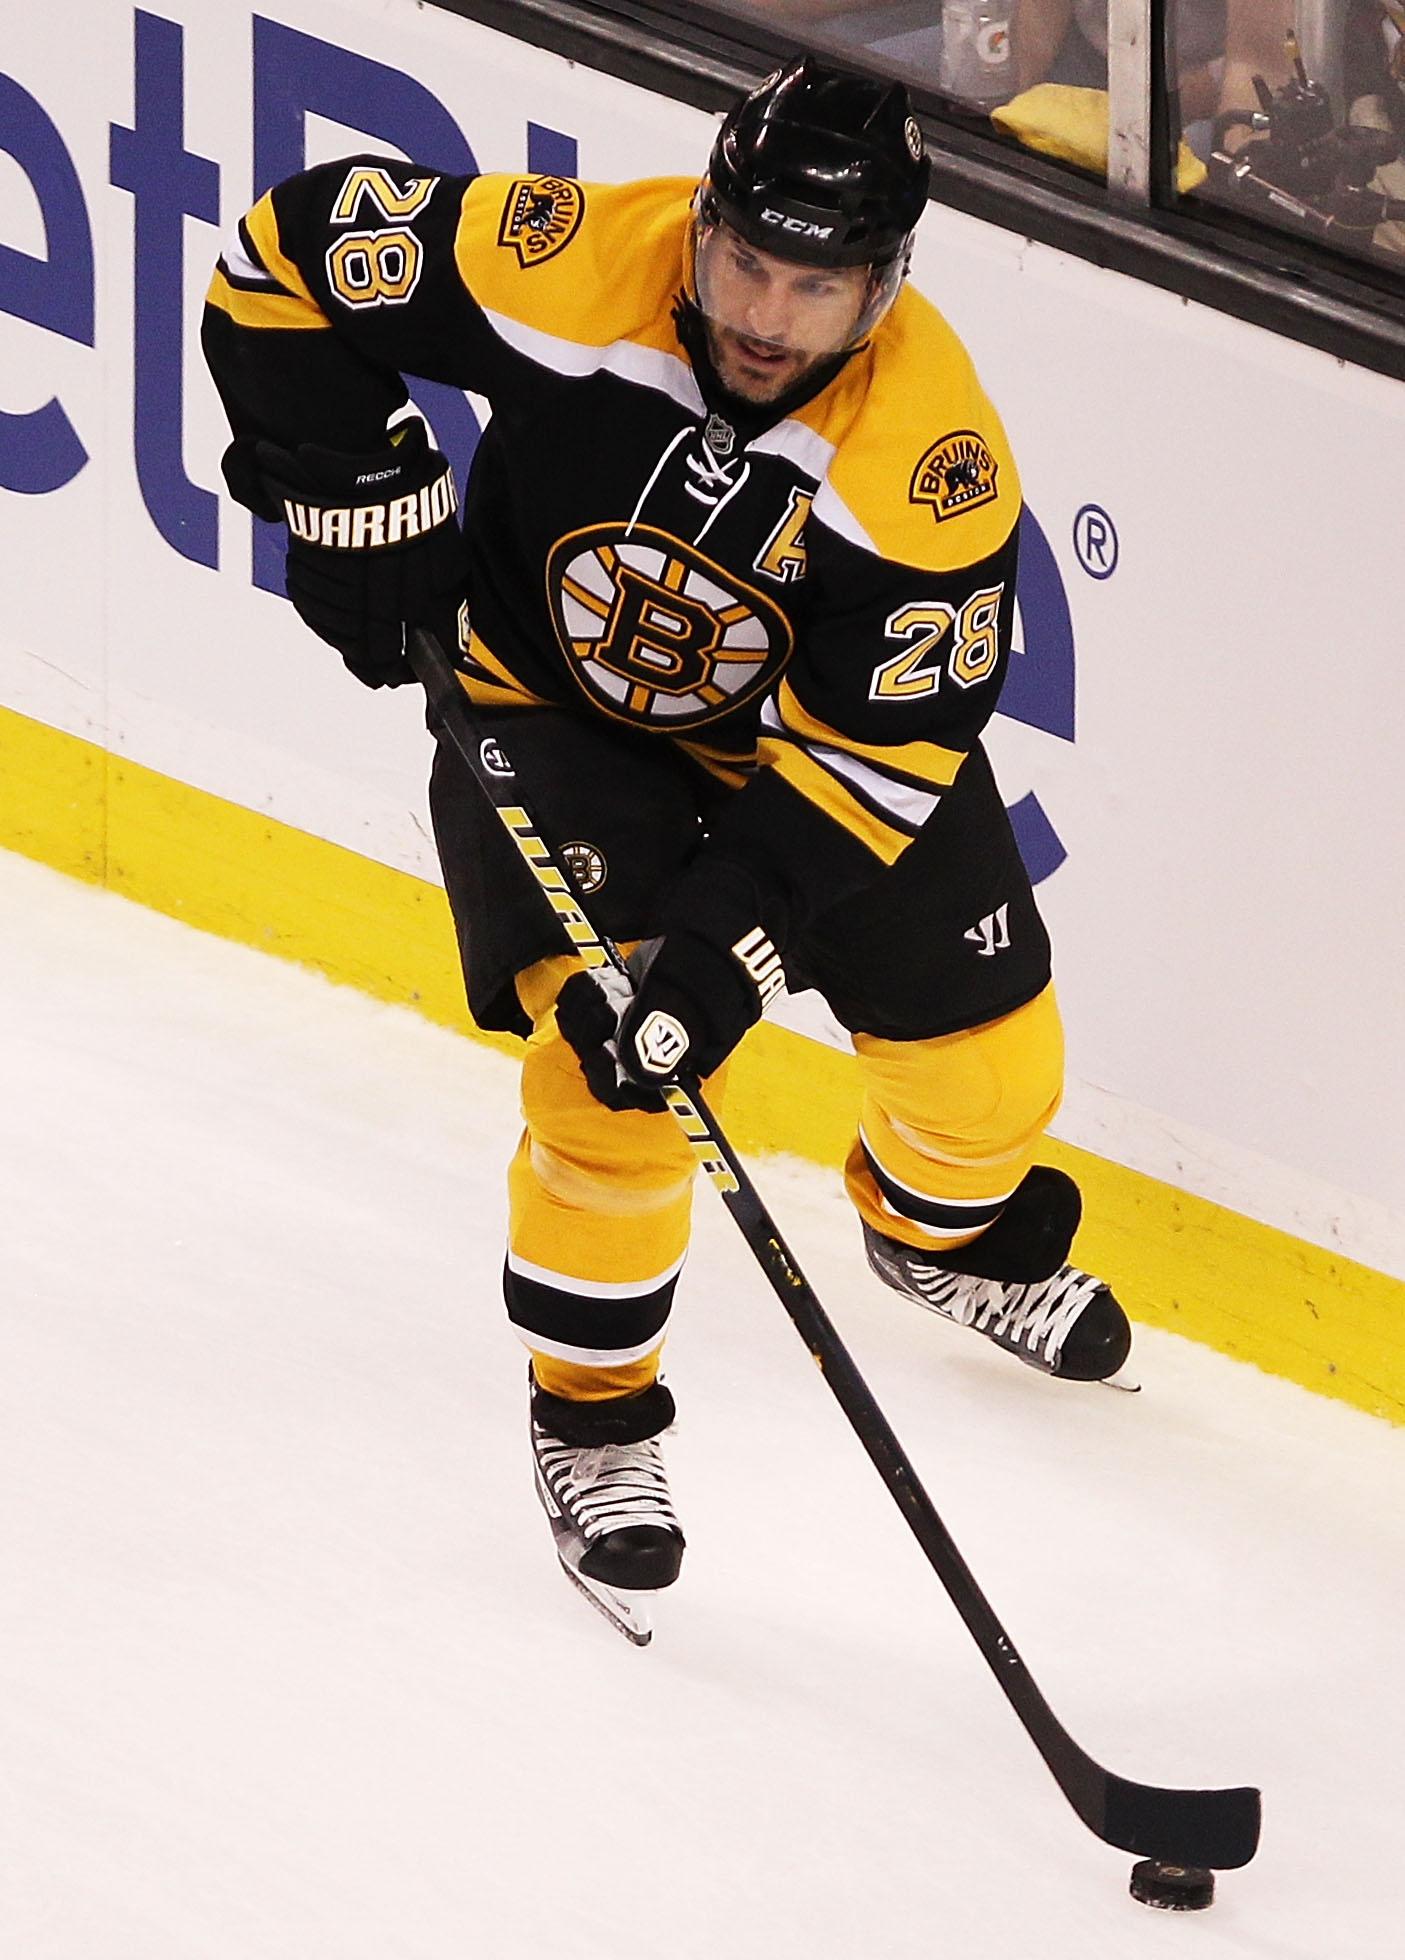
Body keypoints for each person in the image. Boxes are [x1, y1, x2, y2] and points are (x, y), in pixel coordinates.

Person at [202, 57, 1132, 1632]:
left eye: (817, 287)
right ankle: (593, 1421)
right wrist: (353, 493)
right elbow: (281, 261)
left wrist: (721, 958)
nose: (767, 316)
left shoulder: (929, 465)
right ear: (698, 227)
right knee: (610, 1065)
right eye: (744, 263)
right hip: (551, 715)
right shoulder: (567, 260)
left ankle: (935, 1236)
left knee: (986, 1075)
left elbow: (872, 764)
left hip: (809, 764)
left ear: (885, 287)